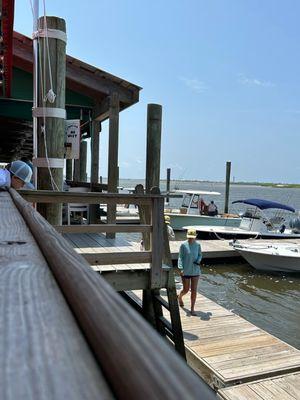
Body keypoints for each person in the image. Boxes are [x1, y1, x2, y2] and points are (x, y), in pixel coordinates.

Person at [177, 228, 202, 316]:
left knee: (194, 290)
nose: (190, 239)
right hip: (185, 271)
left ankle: (192, 309)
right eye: (189, 237)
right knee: (186, 289)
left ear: (195, 236)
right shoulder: (183, 245)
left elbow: (200, 255)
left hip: (195, 271)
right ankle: (180, 297)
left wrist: (198, 260)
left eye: (192, 237)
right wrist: (181, 268)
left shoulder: (198, 245)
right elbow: (180, 257)